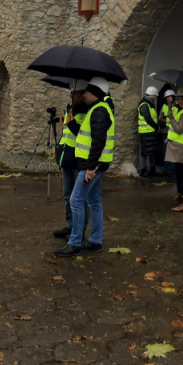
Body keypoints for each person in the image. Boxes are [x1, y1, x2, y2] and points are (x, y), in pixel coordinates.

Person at [55, 76, 115, 257]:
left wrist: (90, 167)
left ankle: (75, 243)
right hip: (95, 164)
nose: (85, 94)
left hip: (91, 166)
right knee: (94, 201)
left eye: (87, 91)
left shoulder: (99, 111)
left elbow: (98, 141)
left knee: (76, 200)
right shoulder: (98, 109)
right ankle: (95, 240)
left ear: (95, 93)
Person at [52, 82, 90, 240]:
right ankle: (70, 225)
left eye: (74, 93)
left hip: (79, 159)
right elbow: (67, 134)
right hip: (67, 157)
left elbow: (81, 133)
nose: (71, 96)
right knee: (68, 196)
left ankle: (79, 230)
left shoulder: (88, 112)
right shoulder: (71, 109)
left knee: (79, 198)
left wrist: (72, 121)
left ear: (82, 94)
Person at [137, 86, 162, 177]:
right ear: (151, 96)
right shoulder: (145, 105)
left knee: (152, 152)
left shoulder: (148, 104)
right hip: (146, 132)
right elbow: (148, 119)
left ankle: (152, 169)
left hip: (150, 132)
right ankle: (143, 171)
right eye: (154, 97)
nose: (154, 99)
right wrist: (156, 127)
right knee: (145, 153)